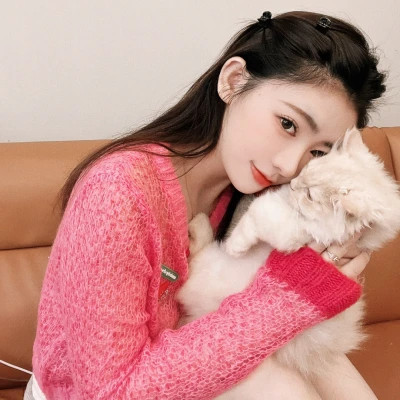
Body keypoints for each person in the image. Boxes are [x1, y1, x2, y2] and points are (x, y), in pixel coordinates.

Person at [27, 10, 385, 400]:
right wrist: (289, 296)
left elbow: (291, 334)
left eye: (317, 151)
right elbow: (111, 392)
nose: (289, 165)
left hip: (196, 367)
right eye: (287, 124)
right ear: (234, 81)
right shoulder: (117, 191)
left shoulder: (259, 196)